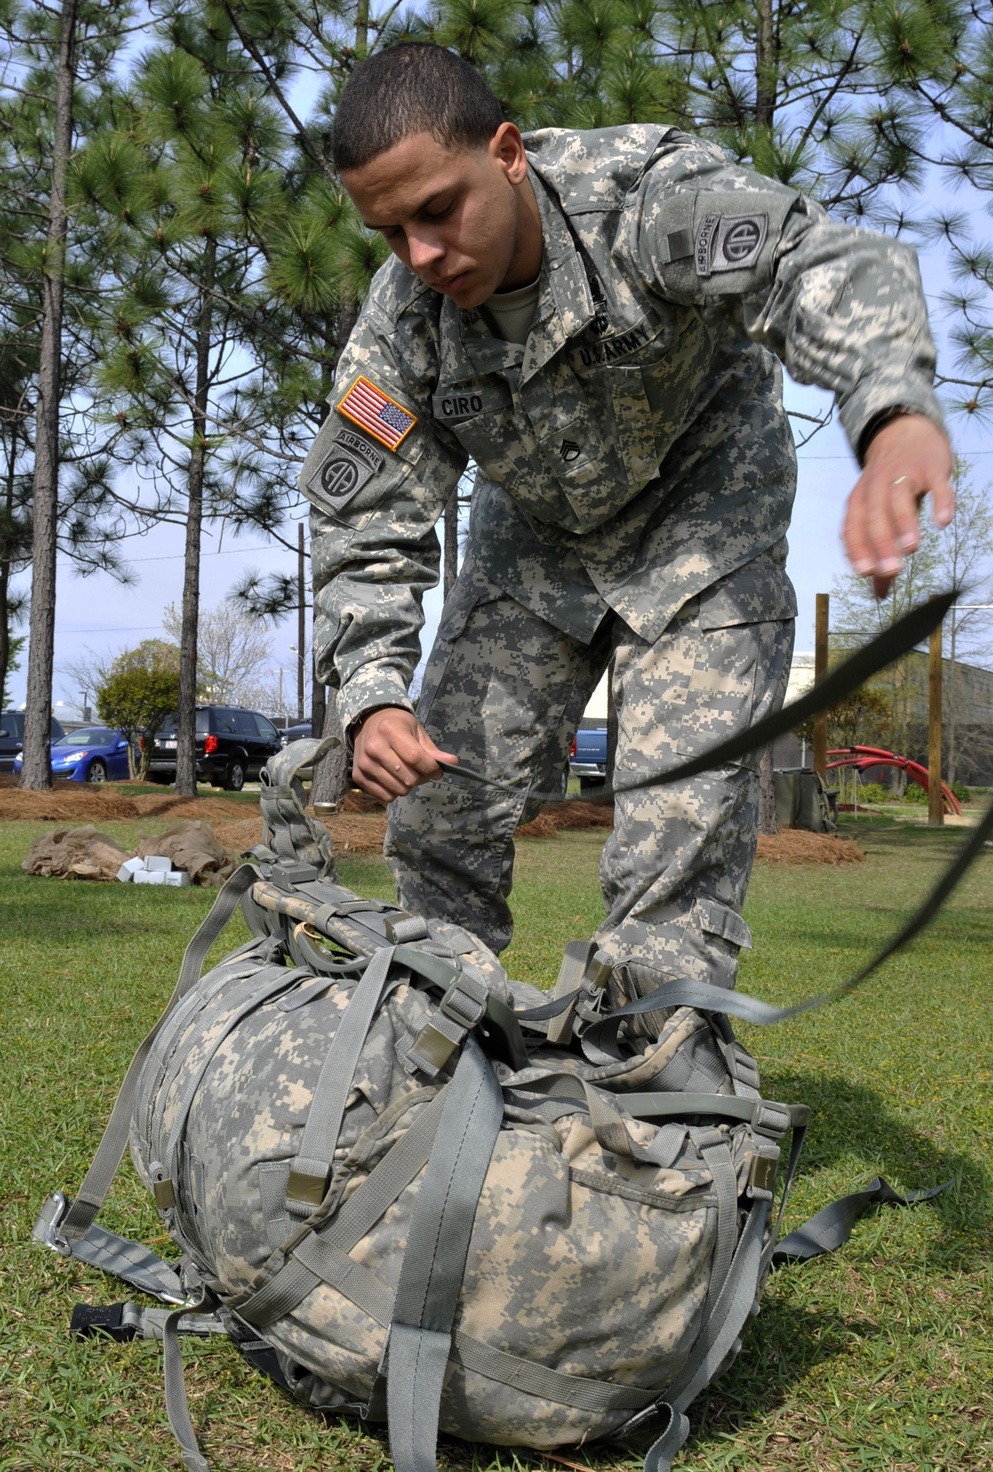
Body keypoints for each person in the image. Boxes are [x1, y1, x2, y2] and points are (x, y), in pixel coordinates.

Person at [302, 43, 952, 1005]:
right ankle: (435, 1041)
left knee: (675, 830)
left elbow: (812, 258)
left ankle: (655, 1085)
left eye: (440, 209)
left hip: (703, 534)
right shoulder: (404, 325)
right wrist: (371, 692)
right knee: (439, 816)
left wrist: (892, 410)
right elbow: (364, 517)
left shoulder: (646, 201)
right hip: (533, 557)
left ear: (509, 152)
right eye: (390, 232)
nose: (424, 255)